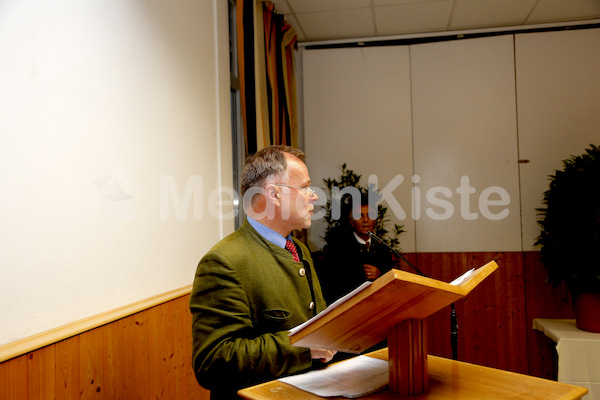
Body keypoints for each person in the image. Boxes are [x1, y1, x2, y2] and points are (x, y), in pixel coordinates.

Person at [189, 145, 336, 400]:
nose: (313, 196)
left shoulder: (298, 249)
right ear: (274, 194)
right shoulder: (224, 261)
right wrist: (302, 347)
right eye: (305, 187)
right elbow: (213, 363)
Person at [318, 196, 396, 305]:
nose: (365, 220)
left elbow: (391, 276)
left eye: (369, 215)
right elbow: (333, 282)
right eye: (360, 216)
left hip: (379, 304)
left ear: (374, 221)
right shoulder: (338, 247)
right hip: (349, 304)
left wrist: (379, 274)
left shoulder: (383, 247)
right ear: (352, 222)